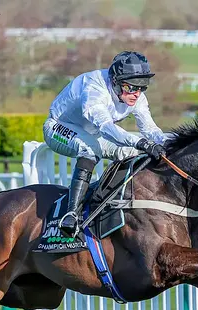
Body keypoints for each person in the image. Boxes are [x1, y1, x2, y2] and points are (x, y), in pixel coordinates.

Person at [42, 51, 167, 237]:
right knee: (89, 148)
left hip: (92, 133)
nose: (136, 94)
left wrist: (169, 143)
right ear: (115, 81)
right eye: (130, 87)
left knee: (132, 152)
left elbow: (150, 129)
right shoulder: (94, 88)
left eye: (142, 87)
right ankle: (71, 214)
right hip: (58, 128)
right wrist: (141, 142)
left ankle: (114, 202)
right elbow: (106, 127)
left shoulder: (137, 96)